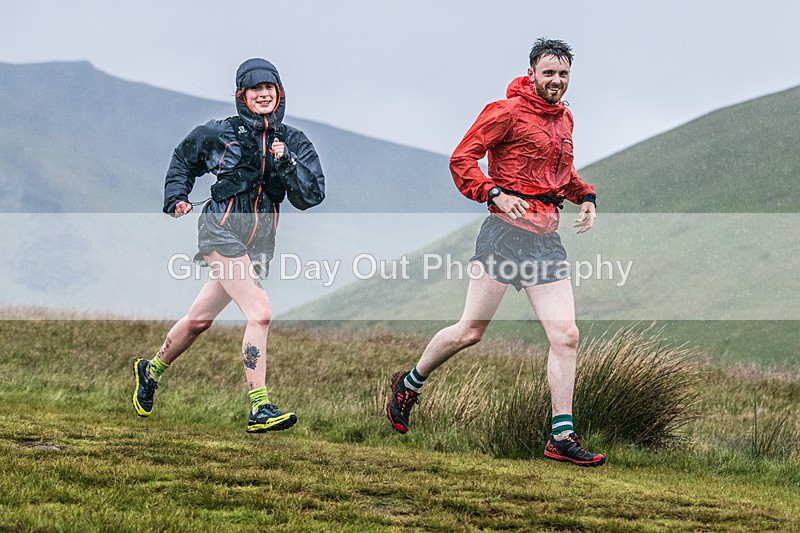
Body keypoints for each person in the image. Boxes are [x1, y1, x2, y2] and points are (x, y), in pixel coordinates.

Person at [386, 39, 605, 467]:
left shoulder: (565, 120)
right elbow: (462, 159)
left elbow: (560, 175)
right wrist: (495, 193)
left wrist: (587, 196)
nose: (556, 82)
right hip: (503, 234)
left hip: (545, 238)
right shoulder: (504, 111)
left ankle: (560, 437)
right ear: (532, 73)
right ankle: (409, 384)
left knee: (567, 336)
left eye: (563, 75)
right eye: (549, 74)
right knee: (470, 331)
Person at [133, 58, 325, 432]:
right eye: (256, 89)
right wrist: (176, 197)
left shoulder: (294, 142)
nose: (264, 94)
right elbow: (183, 160)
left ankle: (150, 370)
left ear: (280, 94)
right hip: (219, 234)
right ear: (242, 95)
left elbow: (312, 194)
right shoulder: (220, 133)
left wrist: (285, 163)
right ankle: (259, 407)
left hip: (257, 245)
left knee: (199, 321)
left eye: (270, 88)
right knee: (260, 312)